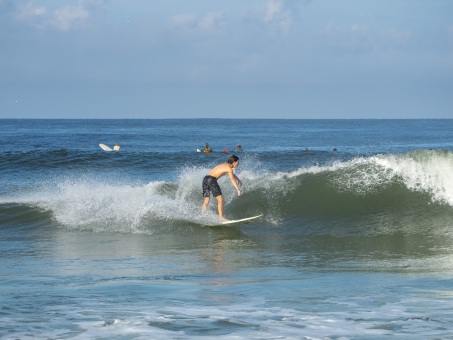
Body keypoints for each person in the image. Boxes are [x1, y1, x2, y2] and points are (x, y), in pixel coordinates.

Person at [201, 154, 242, 221]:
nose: (238, 164)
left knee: (206, 200)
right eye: (238, 162)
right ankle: (221, 218)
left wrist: (238, 179)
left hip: (205, 179)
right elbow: (231, 179)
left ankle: (202, 216)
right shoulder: (229, 169)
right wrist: (238, 189)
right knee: (220, 199)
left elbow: (231, 174)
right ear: (234, 162)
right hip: (212, 180)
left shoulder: (224, 165)